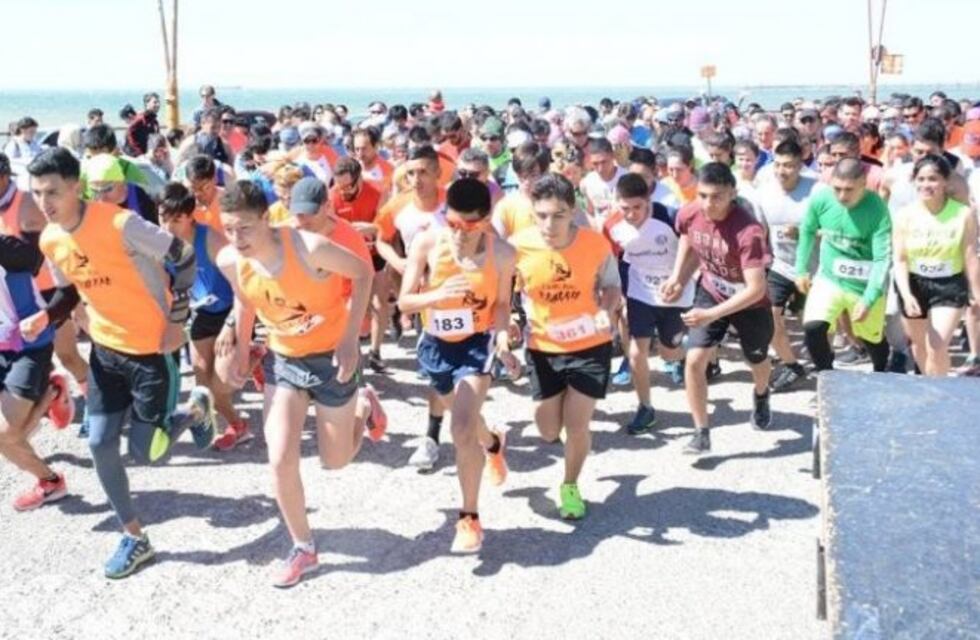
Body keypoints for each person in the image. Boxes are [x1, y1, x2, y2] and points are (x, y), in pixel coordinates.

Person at [29, 148, 217, 579]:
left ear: (76, 187)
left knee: (146, 452)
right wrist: (48, 315)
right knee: (99, 443)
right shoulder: (52, 239)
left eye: (53, 191)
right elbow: (72, 289)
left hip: (152, 348)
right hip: (106, 351)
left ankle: (193, 409)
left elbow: (184, 258)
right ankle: (135, 537)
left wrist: (177, 319)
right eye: (37, 193)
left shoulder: (120, 223)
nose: (45, 202)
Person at [213, 180, 381, 588]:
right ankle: (303, 547)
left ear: (267, 220)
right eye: (229, 228)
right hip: (284, 360)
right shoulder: (230, 258)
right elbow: (246, 298)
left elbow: (363, 274)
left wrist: (348, 342)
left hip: (330, 358)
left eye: (245, 228)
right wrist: (239, 345)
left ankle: (364, 406)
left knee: (335, 460)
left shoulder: (309, 248)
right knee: (279, 455)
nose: (237, 238)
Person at [397, 178, 514, 552]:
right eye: (453, 223)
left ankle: (469, 519)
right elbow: (403, 302)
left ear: (485, 220)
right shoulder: (428, 241)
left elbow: (501, 304)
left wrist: (502, 335)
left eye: (469, 225)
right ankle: (493, 443)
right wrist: (436, 295)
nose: (459, 232)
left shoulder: (503, 254)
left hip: (477, 346)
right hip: (436, 346)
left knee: (460, 428)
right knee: (470, 424)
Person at [511, 173, 621, 519]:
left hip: (591, 345)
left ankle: (570, 485)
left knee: (577, 424)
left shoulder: (595, 244)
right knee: (547, 430)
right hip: (543, 348)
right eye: (542, 215)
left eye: (558, 215)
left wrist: (606, 310)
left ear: (572, 212)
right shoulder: (517, 247)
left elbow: (612, 288)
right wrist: (508, 326)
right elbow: (503, 295)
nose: (549, 224)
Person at [661, 162, 773, 455]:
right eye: (703, 195)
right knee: (694, 361)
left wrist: (711, 315)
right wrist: (678, 276)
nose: (708, 204)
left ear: (732, 194)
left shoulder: (748, 231)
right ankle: (701, 432)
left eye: (717, 197)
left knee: (757, 360)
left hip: (749, 303)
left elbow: (756, 288)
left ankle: (761, 394)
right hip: (711, 290)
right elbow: (689, 235)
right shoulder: (690, 210)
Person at [157, 183, 251, 450]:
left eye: (176, 220)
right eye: (163, 218)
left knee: (219, 387)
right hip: (201, 315)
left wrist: (231, 326)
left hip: (232, 312)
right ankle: (237, 426)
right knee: (203, 390)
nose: (168, 226)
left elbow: (244, 287)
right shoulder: (163, 244)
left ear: (190, 216)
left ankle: (253, 356)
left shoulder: (212, 240)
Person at [604, 173, 692, 433]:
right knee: (635, 352)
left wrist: (678, 277)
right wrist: (617, 291)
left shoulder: (669, 216)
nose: (631, 214)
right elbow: (611, 261)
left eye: (637, 207)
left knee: (669, 352)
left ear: (648, 201)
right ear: (615, 202)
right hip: (641, 293)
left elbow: (692, 246)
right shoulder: (610, 225)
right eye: (625, 208)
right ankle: (645, 407)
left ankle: (683, 354)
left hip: (675, 294)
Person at [0, 231, 78, 511]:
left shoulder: (9, 250)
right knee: (8, 437)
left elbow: (35, 257)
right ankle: (50, 481)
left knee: (6, 434)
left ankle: (50, 393)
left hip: (28, 347)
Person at [795, 158, 892, 373]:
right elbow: (807, 230)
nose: (842, 196)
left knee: (871, 338)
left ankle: (881, 370)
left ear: (863, 183)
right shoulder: (820, 198)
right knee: (813, 327)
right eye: (837, 188)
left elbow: (882, 260)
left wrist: (869, 298)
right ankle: (826, 373)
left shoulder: (877, 209)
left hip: (865, 285)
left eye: (849, 190)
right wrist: (800, 268)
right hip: (830, 279)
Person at [892, 155, 980, 376]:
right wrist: (906, 294)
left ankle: (941, 394)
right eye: (920, 179)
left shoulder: (963, 214)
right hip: (914, 284)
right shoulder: (904, 215)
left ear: (945, 182)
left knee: (937, 344)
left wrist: (977, 293)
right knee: (919, 345)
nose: (926, 185)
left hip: (949, 284)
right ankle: (929, 387)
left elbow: (970, 255)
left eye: (932, 179)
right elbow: (900, 259)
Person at [755, 140, 819, 392]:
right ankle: (793, 365)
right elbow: (760, 230)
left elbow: (835, 229)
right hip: (781, 266)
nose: (782, 171)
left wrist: (806, 232)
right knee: (770, 318)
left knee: (815, 325)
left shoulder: (817, 191)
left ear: (800, 166)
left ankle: (823, 363)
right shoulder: (765, 191)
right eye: (778, 165)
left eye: (789, 166)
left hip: (814, 268)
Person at [329, 158, 390, 372]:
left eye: (349, 186)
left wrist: (371, 228)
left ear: (359, 179)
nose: (344, 191)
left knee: (379, 302)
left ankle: (376, 351)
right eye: (340, 186)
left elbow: (387, 227)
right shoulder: (332, 196)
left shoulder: (378, 191)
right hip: (348, 257)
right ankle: (350, 346)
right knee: (351, 305)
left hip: (374, 253)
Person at [86, 154, 159, 225]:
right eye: (95, 191)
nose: (101, 199)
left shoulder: (139, 196)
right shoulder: (88, 208)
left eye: (107, 189)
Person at [125, 93, 161, 157]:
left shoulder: (155, 122)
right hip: (139, 159)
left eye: (158, 102)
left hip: (150, 158)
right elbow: (128, 133)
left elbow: (155, 141)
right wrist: (139, 153)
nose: (158, 105)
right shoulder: (140, 119)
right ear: (147, 104)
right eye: (155, 102)